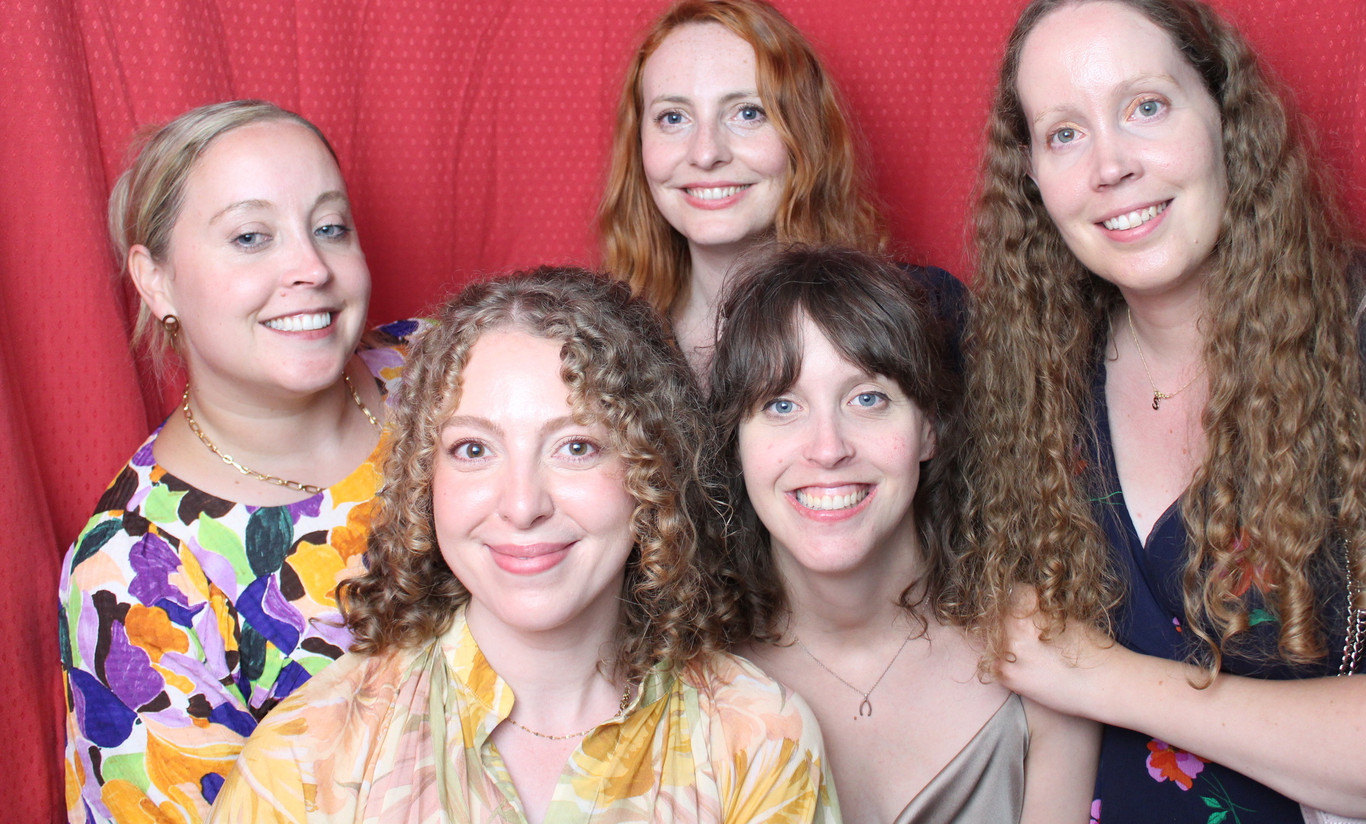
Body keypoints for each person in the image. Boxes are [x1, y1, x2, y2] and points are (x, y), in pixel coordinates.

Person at [967, 0, 1366, 822]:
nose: (1111, 165)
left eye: (1147, 107)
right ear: (1032, 178)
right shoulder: (1035, 379)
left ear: (1226, 118)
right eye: (1064, 134)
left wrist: (1107, 678)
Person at [208, 267, 835, 824]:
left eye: (577, 446)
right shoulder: (305, 755)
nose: (521, 504)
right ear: (425, 477)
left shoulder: (756, 739)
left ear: (653, 470)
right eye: (473, 449)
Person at [59, 100, 420, 824]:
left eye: (330, 227)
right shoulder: (133, 576)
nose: (311, 267)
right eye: (251, 237)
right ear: (156, 280)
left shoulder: (445, 368)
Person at [707, 246, 1098, 824]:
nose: (828, 449)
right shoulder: (689, 687)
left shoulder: (1042, 655)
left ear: (929, 429)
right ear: (736, 446)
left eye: (868, 399)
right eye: (781, 405)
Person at [597, 0, 963, 374]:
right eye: (673, 117)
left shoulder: (930, 312)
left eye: (748, 113)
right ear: (639, 144)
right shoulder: (601, 344)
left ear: (804, 135)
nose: (705, 154)